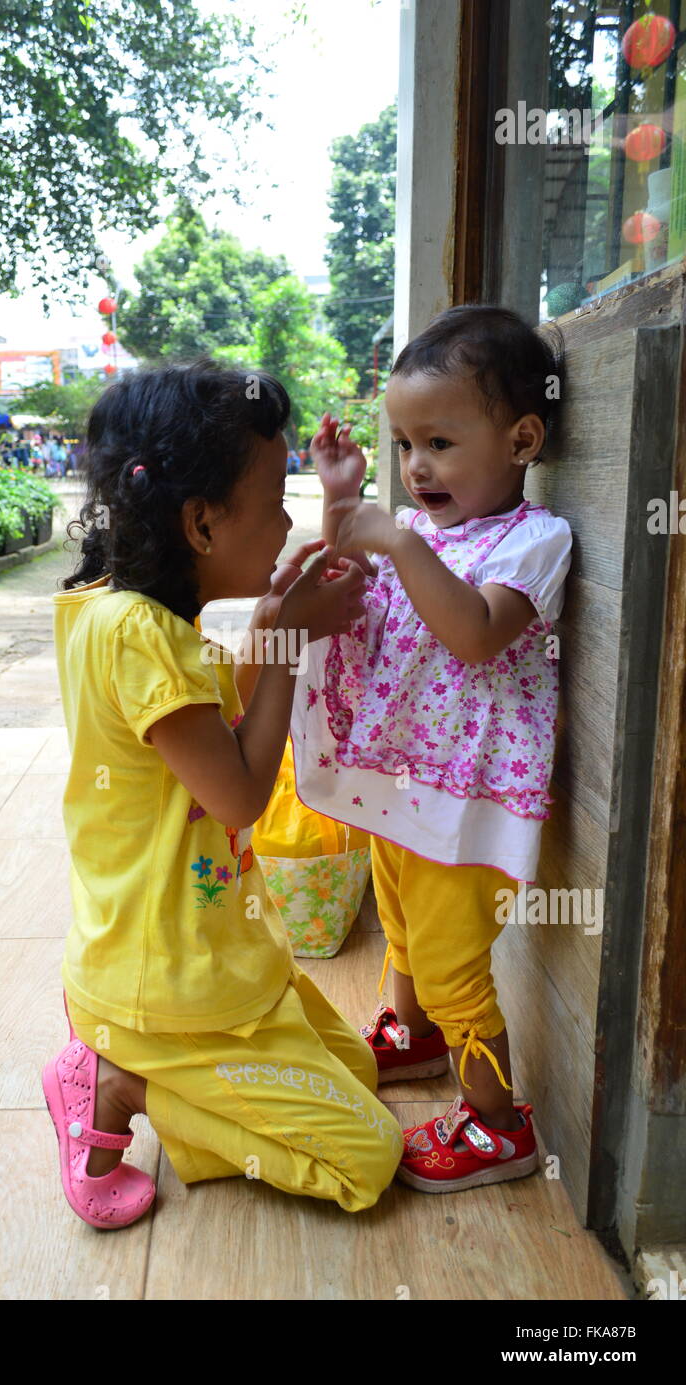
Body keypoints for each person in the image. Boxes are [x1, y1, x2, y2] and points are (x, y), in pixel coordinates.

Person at [42, 359, 404, 1231]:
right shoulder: (141, 637)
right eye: (278, 499)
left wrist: (281, 621)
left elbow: (214, 731)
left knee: (356, 1071)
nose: (287, 521)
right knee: (370, 1155)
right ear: (202, 524)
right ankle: (121, 1077)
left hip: (212, 959)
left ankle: (142, 1067)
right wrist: (285, 641)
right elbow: (240, 795)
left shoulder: (122, 611)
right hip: (171, 986)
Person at [290, 305, 572, 1194]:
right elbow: (360, 598)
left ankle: (498, 1127)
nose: (416, 467)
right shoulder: (436, 536)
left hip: (465, 803)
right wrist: (343, 504)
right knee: (402, 927)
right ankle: (412, 1037)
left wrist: (402, 542)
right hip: (404, 788)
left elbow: (476, 635)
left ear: (523, 438)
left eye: (441, 442)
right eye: (405, 444)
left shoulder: (534, 541)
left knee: (453, 965)